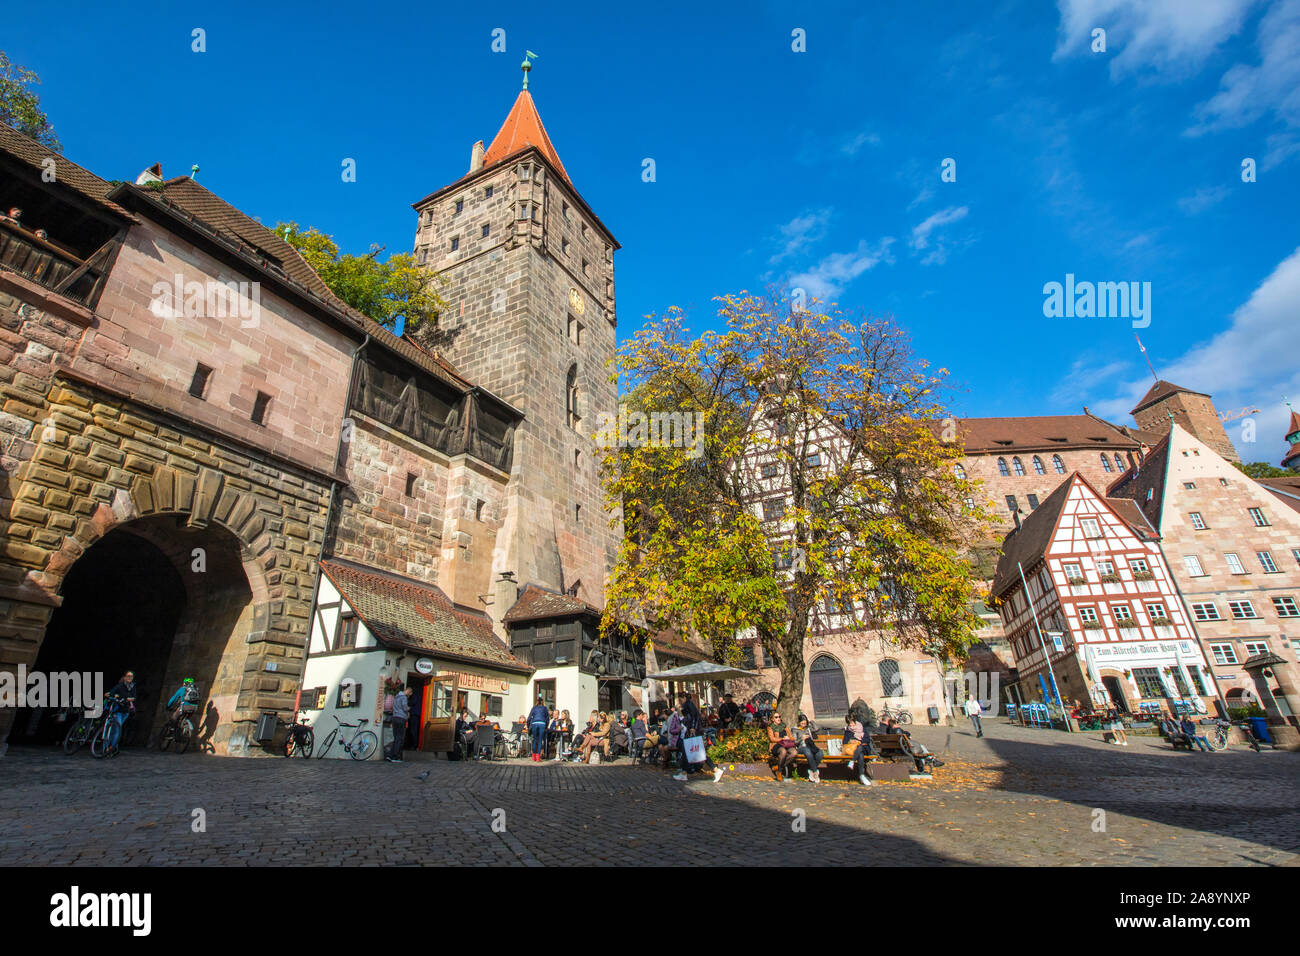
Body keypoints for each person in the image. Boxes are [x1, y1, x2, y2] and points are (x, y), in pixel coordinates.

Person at [676, 691, 724, 782]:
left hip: (692, 732)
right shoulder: (688, 705)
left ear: (684, 698)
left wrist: (692, 727)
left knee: (697, 752)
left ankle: (715, 769)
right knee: (689, 752)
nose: (680, 701)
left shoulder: (688, 704)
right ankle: (684, 773)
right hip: (692, 731)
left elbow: (693, 717)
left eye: (680, 699)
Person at [103, 670, 137, 752]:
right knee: (116, 728)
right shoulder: (119, 686)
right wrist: (110, 695)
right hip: (117, 710)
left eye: (131, 676)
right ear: (124, 677)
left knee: (117, 728)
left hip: (126, 711)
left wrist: (129, 699)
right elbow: (110, 693)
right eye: (128, 676)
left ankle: (112, 747)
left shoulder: (133, 687)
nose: (129, 677)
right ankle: (110, 748)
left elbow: (134, 697)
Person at [766, 712, 798, 782]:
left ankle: (778, 767)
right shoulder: (770, 727)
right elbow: (772, 739)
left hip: (787, 744)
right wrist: (782, 739)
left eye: (779, 717)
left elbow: (791, 737)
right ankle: (779, 772)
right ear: (772, 719)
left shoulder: (784, 726)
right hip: (777, 745)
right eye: (776, 717)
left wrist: (789, 738)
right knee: (783, 751)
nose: (778, 718)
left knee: (794, 753)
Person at [386, 684, 413, 762]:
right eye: (410, 694)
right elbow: (405, 707)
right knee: (400, 738)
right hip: (401, 718)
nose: (410, 695)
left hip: (395, 718)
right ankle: (395, 756)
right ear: (408, 691)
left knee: (396, 737)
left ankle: (390, 755)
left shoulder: (396, 696)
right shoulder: (403, 697)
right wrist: (408, 709)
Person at [845, 712, 872, 786]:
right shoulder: (848, 731)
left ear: (856, 722)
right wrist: (850, 741)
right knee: (860, 755)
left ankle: (852, 761)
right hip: (853, 750)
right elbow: (844, 741)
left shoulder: (862, 728)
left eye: (853, 724)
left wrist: (860, 741)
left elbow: (867, 739)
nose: (852, 726)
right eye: (850, 725)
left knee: (860, 748)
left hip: (864, 748)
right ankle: (861, 775)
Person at [795, 714, 822, 784]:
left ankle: (811, 771)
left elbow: (817, 729)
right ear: (799, 723)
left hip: (810, 746)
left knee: (819, 753)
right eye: (802, 723)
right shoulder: (795, 729)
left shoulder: (808, 728)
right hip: (801, 747)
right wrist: (801, 739)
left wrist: (811, 721)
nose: (804, 725)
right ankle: (815, 772)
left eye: (805, 723)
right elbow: (794, 742)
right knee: (807, 751)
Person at [527, 696, 549, 763]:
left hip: (535, 724)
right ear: (543, 702)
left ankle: (533, 756)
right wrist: (546, 726)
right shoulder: (545, 708)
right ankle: (538, 757)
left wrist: (528, 726)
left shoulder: (534, 708)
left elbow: (529, 718)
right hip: (542, 724)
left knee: (534, 739)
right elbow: (547, 718)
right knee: (540, 740)